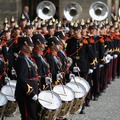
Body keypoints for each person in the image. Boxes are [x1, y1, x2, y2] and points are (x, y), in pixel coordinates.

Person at [14, 37, 38, 120]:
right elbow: (21, 79)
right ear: (24, 46)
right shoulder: (21, 60)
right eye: (30, 45)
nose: (32, 47)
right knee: (28, 117)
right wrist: (31, 93)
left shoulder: (26, 59)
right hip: (26, 95)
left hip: (30, 95)